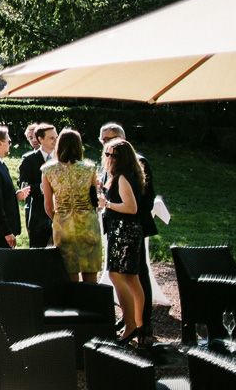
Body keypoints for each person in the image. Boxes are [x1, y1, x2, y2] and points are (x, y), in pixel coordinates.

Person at [99, 123, 161, 330]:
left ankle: (143, 324)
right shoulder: (110, 163)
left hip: (131, 226)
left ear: (121, 138)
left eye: (108, 139)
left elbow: (145, 198)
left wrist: (128, 218)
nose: (105, 144)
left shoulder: (136, 162)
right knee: (124, 274)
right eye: (102, 140)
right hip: (117, 225)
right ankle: (130, 318)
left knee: (137, 274)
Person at [99, 138, 148, 347]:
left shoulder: (122, 178)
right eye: (107, 154)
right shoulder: (126, 175)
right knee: (131, 278)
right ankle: (139, 324)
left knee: (117, 275)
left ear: (122, 158)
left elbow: (131, 207)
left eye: (112, 155)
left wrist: (107, 203)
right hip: (128, 230)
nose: (108, 158)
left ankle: (130, 324)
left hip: (124, 232)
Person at [41, 128, 102, 282]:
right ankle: (89, 304)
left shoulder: (48, 170)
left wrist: (59, 217)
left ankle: (74, 304)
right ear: (78, 146)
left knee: (69, 271)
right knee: (90, 271)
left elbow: (48, 206)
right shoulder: (90, 168)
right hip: (87, 222)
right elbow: (94, 199)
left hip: (63, 223)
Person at [19, 123, 56, 248]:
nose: (55, 140)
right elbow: (24, 187)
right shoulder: (29, 160)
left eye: (56, 137)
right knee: (37, 257)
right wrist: (44, 186)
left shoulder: (62, 158)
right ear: (40, 139)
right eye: (52, 138)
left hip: (61, 217)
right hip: (38, 217)